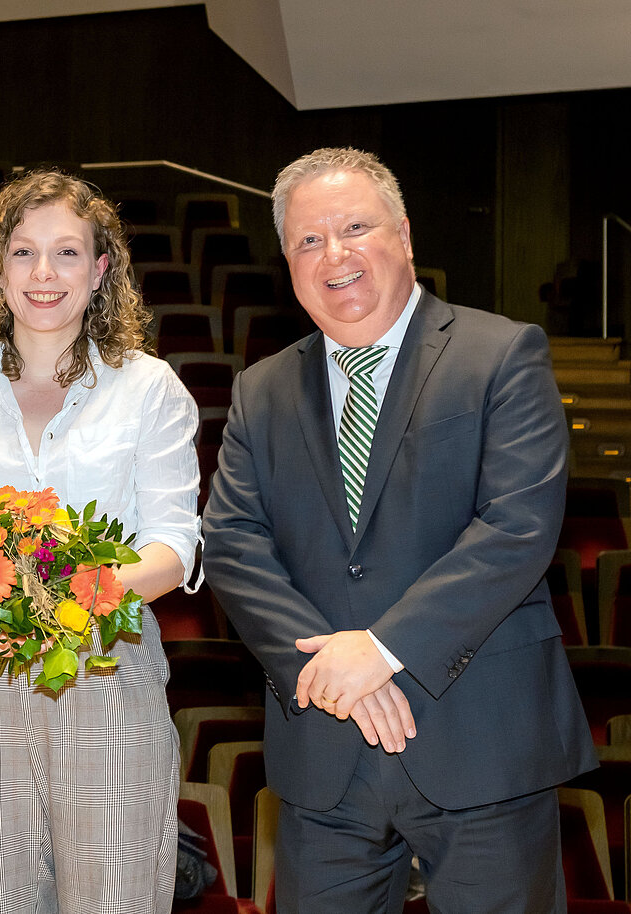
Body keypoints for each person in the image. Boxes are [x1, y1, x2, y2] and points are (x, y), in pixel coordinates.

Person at [201, 147, 597, 913]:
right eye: (308, 240)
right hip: (324, 754)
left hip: (482, 743)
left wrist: (380, 651)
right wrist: (333, 670)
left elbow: (517, 525)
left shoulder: (501, 353)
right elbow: (234, 544)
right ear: (287, 260)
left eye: (355, 227)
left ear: (406, 235)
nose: (334, 255)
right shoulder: (262, 387)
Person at [0, 169, 201, 914]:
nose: (43, 274)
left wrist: (69, 594)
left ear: (101, 271)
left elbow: (174, 545)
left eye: (67, 253)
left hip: (109, 674)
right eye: (24, 252)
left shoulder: (150, 387)